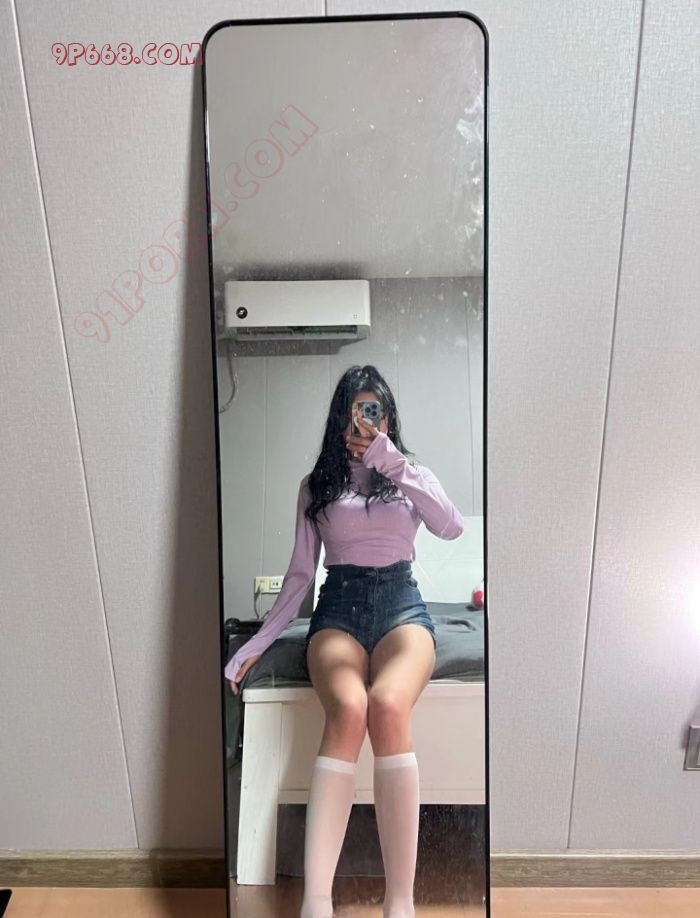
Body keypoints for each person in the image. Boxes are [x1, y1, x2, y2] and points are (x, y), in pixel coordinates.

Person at [224, 364, 464, 918]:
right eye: (355, 413)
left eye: (375, 412)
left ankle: (400, 903)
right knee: (351, 707)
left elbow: (451, 526)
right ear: (340, 420)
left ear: (388, 419)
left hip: (402, 606)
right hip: (338, 608)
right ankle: (317, 903)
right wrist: (256, 644)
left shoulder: (409, 475)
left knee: (387, 704)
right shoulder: (317, 487)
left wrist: (392, 462)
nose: (364, 423)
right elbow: (299, 576)